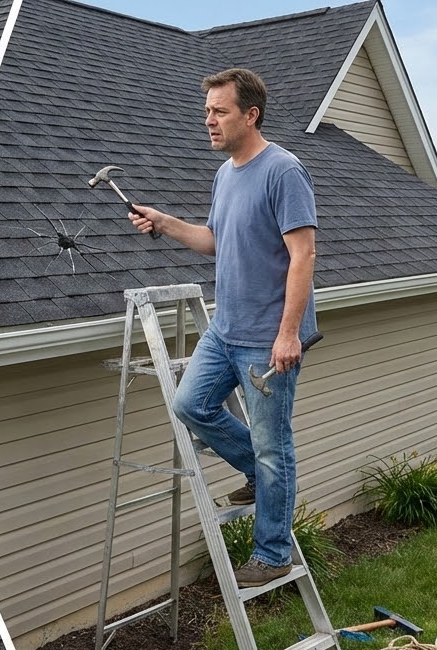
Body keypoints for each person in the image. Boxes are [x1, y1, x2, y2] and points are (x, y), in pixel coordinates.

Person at [126, 68, 318, 588]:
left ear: (250, 115)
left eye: (220, 111)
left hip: (266, 338)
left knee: (274, 447)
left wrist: (288, 334)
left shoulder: (284, 171)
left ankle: (273, 552)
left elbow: (303, 255)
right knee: (191, 405)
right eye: (208, 110)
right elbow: (215, 241)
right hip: (225, 328)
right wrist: (163, 223)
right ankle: (254, 474)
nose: (208, 120)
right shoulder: (226, 174)